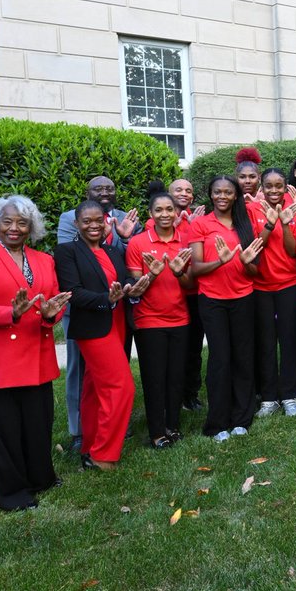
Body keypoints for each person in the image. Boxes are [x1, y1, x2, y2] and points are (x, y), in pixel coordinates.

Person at [0, 195, 71, 509]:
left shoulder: (44, 260)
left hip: (35, 354)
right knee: (3, 429)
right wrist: (11, 313)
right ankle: (10, 494)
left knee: (37, 422)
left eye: (22, 222)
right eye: (7, 221)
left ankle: (41, 478)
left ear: (31, 226)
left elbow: (51, 304)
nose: (14, 228)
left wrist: (50, 313)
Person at [55, 200, 151, 471]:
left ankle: (89, 447)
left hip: (118, 323)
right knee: (121, 387)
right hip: (93, 328)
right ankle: (102, 455)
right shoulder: (67, 251)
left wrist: (135, 286)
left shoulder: (111, 250)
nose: (94, 225)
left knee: (95, 389)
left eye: (99, 220)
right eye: (87, 221)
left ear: (107, 221)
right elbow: (73, 291)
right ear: (77, 224)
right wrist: (106, 299)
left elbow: (122, 281)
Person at [187, 176, 266, 441]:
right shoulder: (200, 225)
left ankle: (241, 418)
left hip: (243, 297)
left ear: (235, 196)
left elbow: (255, 270)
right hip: (212, 300)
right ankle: (217, 423)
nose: (222, 196)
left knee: (243, 358)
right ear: (210, 195)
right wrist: (219, 262)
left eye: (228, 192)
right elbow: (195, 269)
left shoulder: (245, 225)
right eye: (217, 191)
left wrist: (244, 262)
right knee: (220, 360)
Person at [127, 185, 195, 449]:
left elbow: (190, 284)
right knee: (155, 377)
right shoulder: (137, 242)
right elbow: (134, 287)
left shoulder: (185, 241)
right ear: (150, 213)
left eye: (169, 209)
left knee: (176, 375)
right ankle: (157, 431)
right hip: (149, 320)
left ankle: (173, 426)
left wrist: (179, 272)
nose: (165, 214)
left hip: (180, 318)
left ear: (177, 212)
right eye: (159, 210)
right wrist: (152, 274)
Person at [248, 168, 296, 417]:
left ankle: (290, 395)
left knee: (290, 340)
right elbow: (253, 249)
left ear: (286, 187)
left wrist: (284, 223)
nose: (274, 190)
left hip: (289, 284)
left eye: (279, 186)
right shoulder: (252, 210)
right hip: (261, 286)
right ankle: (269, 398)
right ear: (261, 188)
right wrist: (269, 223)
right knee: (266, 343)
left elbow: (294, 251)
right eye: (269, 186)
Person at [167, 177, 207, 412]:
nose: (184, 193)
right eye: (179, 189)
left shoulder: (196, 220)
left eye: (189, 190)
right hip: (171, 294)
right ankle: (172, 394)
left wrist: (192, 226)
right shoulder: (159, 219)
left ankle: (191, 394)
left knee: (193, 347)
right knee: (175, 349)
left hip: (195, 292)